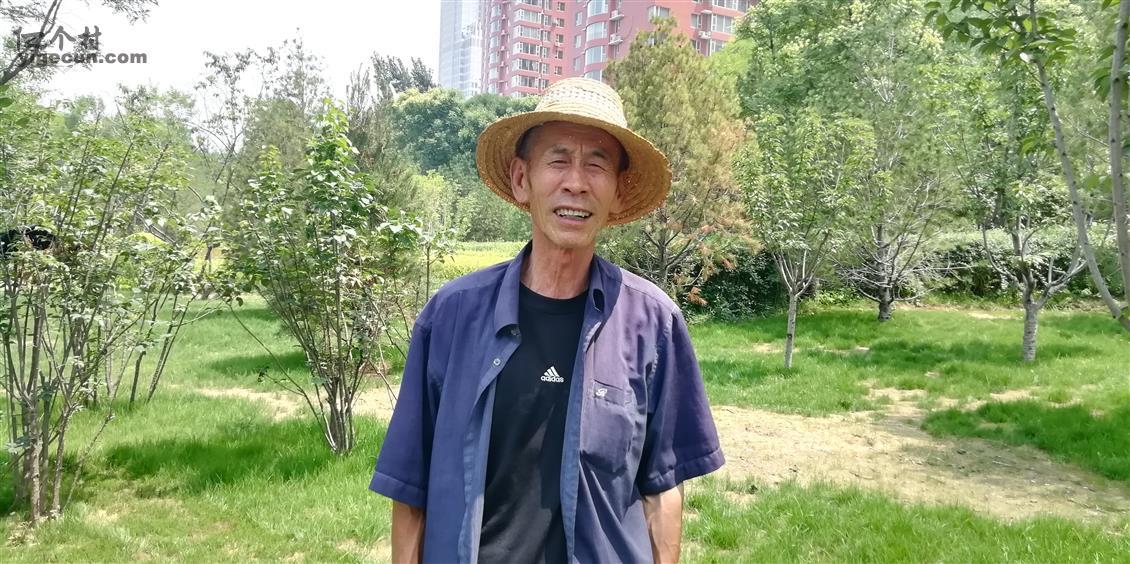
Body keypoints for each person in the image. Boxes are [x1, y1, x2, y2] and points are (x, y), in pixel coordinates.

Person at [369, 77, 723, 564]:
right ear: (522, 179)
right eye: (558, 160)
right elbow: (411, 486)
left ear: (619, 191)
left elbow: (662, 490)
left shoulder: (652, 323)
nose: (576, 182)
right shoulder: (450, 317)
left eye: (597, 163)